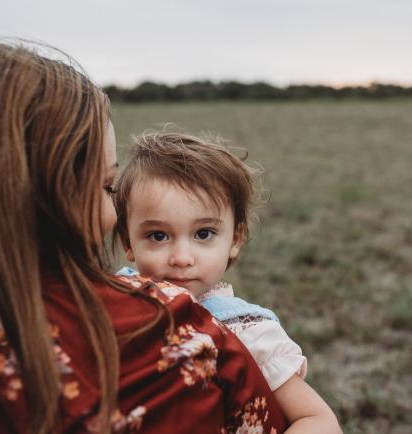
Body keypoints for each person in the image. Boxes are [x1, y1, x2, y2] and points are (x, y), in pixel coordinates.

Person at [0, 42, 288, 434]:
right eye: (106, 187)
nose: (111, 213)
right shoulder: (168, 339)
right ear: (47, 194)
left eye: (203, 233)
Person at [113, 132, 343, 433]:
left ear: (235, 239)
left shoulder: (247, 331)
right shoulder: (113, 301)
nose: (182, 258)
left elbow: (318, 420)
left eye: (203, 234)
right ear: (127, 242)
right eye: (158, 236)